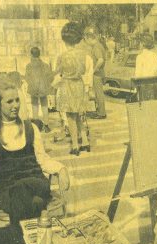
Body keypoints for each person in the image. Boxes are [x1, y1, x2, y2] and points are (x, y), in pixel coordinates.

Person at [0, 74, 70, 226]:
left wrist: (61, 169)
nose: (15, 105)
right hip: (8, 188)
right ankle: (36, 231)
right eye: (9, 101)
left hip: (35, 183)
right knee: (31, 199)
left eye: (17, 100)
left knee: (31, 194)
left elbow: (43, 159)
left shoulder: (30, 128)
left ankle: (22, 236)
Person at [54, 22, 91, 156]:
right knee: (79, 114)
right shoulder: (83, 54)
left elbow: (57, 71)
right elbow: (84, 70)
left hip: (67, 85)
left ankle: (75, 145)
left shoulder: (62, 56)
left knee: (70, 117)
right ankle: (85, 142)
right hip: (79, 84)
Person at [25, 47, 54, 133]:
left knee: (34, 106)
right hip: (43, 88)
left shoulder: (29, 66)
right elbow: (50, 77)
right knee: (45, 106)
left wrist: (33, 84)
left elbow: (27, 78)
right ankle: (46, 125)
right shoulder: (45, 65)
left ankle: (36, 126)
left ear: (31, 54)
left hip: (33, 88)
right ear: (39, 54)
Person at [84, 26, 107, 119]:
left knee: (99, 94)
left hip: (97, 74)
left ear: (90, 38)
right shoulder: (98, 45)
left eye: (86, 39)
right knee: (98, 94)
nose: (86, 41)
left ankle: (101, 113)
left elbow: (100, 60)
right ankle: (99, 111)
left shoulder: (96, 47)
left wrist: (93, 70)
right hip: (99, 73)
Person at [135, 33, 157, 100]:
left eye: (140, 42)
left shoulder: (140, 57)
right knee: (152, 106)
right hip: (153, 85)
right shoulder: (155, 56)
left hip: (143, 86)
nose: (139, 44)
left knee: (143, 107)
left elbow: (138, 74)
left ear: (143, 43)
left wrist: (136, 88)